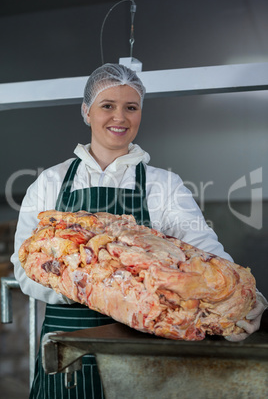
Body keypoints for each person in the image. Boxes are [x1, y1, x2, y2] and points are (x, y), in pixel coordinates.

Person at [11, 63, 267, 398]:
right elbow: (23, 265)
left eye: (130, 107)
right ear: (87, 112)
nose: (120, 117)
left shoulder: (164, 184)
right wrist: (88, 284)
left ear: (140, 114)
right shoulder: (49, 183)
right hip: (67, 353)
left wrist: (240, 296)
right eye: (108, 106)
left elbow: (204, 252)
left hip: (142, 359)